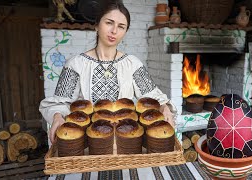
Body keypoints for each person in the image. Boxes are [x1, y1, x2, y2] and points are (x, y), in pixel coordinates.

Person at [39, 1, 177, 144]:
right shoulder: (76, 65)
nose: (114, 31)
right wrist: (57, 116)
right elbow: (60, 103)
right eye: (109, 23)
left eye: (121, 27)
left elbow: (152, 98)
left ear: (125, 32)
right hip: (87, 145)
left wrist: (164, 107)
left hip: (126, 141)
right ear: (97, 25)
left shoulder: (132, 64)